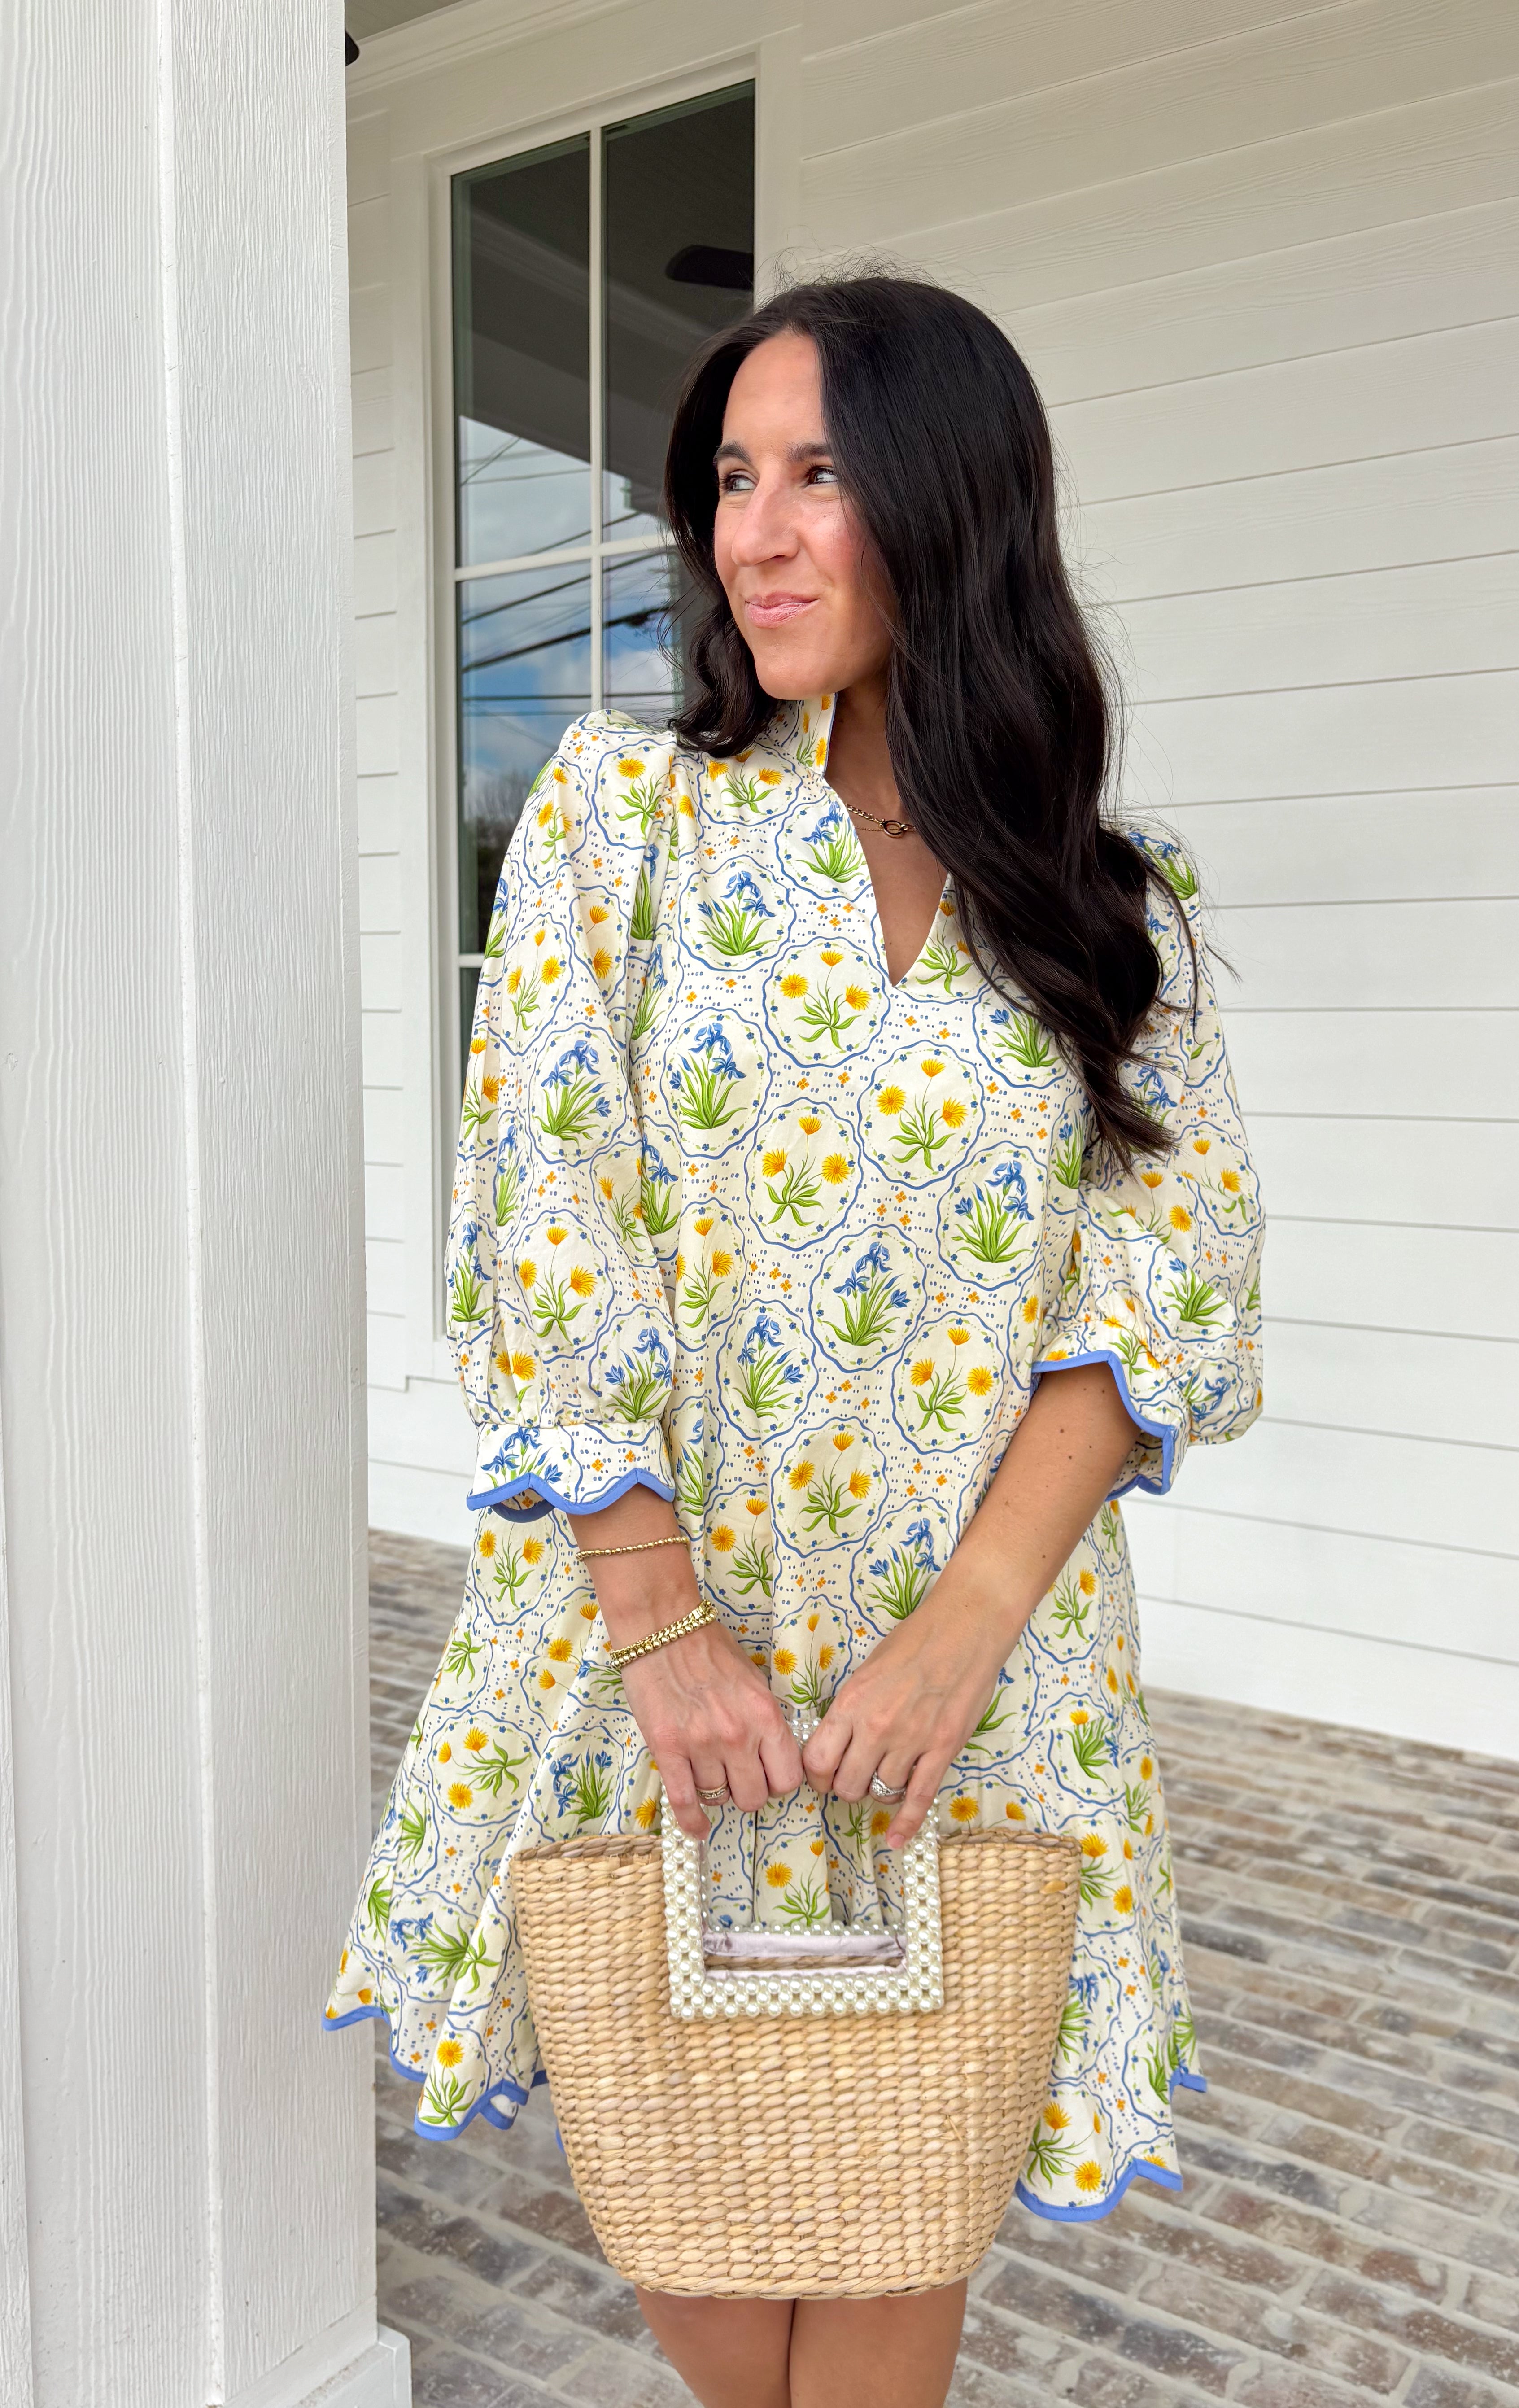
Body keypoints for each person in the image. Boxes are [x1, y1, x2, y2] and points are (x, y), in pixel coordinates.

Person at [326, 271, 1263, 2408]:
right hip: (669, 1664)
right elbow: (543, 1221)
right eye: (730, 480)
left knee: (894, 2242)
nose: (754, 531)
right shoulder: (620, 817)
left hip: (971, 1693)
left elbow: (1162, 1293)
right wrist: (662, 1622)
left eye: (817, 474)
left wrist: (963, 1633)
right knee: (708, 2246)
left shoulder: (1113, 902)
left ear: (953, 505)